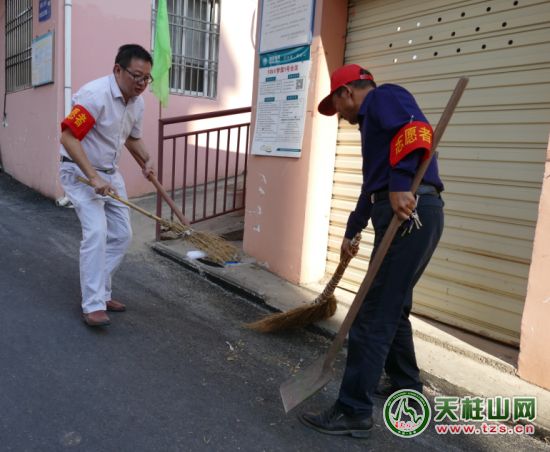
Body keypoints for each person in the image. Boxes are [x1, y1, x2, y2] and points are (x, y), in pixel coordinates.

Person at [299, 64, 444, 437]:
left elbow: (416, 129)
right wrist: (352, 230)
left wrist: (400, 183)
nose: (338, 114)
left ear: (347, 92)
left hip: (409, 214)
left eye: (336, 105)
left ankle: (353, 410)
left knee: (372, 313)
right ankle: (404, 383)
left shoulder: (384, 97)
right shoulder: (371, 127)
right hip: (405, 214)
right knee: (394, 305)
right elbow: (371, 187)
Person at [59, 44, 156, 327]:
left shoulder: (136, 103)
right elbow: (68, 137)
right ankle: (92, 304)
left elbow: (131, 138)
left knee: (122, 235)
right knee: (97, 232)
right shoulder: (94, 95)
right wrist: (93, 177)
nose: (142, 83)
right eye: (136, 76)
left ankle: (100, 291)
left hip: (109, 175)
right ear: (117, 70)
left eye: (146, 78)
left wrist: (147, 159)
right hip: (79, 172)